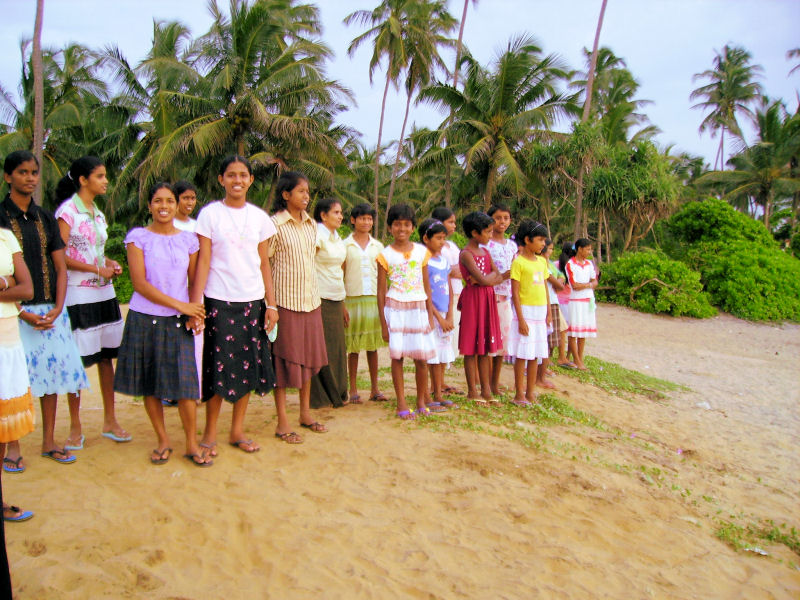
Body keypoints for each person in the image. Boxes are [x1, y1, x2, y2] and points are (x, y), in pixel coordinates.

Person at [0, 151, 88, 471]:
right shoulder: (0, 218)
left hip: (50, 310)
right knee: (13, 380)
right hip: (11, 313)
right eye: (22, 172)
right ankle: (13, 447)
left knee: (50, 378)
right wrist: (21, 311)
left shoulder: (46, 218)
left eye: (34, 172)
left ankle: (49, 441)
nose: (30, 178)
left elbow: (60, 268)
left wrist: (58, 307)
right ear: (8, 177)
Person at [114, 183, 209, 466]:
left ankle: (191, 443)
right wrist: (182, 306)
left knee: (186, 385)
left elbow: (194, 280)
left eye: (169, 200)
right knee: (150, 383)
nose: (164, 206)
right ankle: (163, 440)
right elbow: (140, 284)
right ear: (149, 206)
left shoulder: (189, 240)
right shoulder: (138, 238)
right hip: (144, 318)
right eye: (157, 201)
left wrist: (194, 311)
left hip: (179, 321)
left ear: (177, 205)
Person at [191, 156, 278, 456]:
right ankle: (209, 433)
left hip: (252, 302)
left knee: (248, 366)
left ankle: (237, 430)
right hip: (217, 299)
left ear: (251, 180)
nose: (237, 180)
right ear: (221, 179)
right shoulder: (209, 215)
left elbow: (264, 263)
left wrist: (271, 304)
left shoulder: (260, 219)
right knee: (217, 368)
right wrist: (196, 303)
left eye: (243, 175)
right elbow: (203, 261)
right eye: (231, 175)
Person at [54, 156, 129, 444]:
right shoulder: (67, 212)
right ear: (83, 180)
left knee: (106, 358)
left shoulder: (97, 213)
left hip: (103, 292)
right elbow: (60, 256)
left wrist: (109, 263)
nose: (106, 181)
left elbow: (95, 253)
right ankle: (75, 427)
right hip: (78, 293)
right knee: (78, 360)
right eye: (100, 176)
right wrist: (96, 269)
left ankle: (111, 421)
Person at [269, 171, 328, 443]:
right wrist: (270, 304)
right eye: (301, 191)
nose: (306, 196)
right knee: (282, 362)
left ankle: (305, 414)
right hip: (284, 303)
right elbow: (264, 264)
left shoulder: (312, 225)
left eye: (308, 191)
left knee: (309, 358)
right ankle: (282, 421)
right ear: (286, 194)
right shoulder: (274, 226)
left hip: (311, 301)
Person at [377, 204, 436, 419]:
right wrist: (384, 324)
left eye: (406, 224)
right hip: (396, 309)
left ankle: (421, 400)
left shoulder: (422, 252)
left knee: (421, 359)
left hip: (418, 309)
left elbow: (427, 286)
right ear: (390, 227)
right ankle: (401, 402)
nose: (401, 228)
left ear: (412, 227)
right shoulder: (384, 255)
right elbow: (381, 291)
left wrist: (430, 315)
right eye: (397, 224)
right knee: (398, 357)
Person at [0, 226, 36, 524]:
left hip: (8, 341)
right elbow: (17, 285)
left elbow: (27, 289)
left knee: (1, 428)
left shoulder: (5, 237)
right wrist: (7, 281)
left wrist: (5, 281)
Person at [342, 203, 385, 403]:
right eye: (362, 218)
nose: (366, 222)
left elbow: (382, 278)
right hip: (352, 299)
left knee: (372, 346)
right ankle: (353, 390)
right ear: (353, 220)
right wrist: (342, 304)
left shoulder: (378, 246)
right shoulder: (345, 245)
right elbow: (340, 275)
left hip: (373, 300)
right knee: (353, 347)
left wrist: (384, 303)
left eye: (369, 219)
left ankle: (375, 389)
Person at [458, 211, 502, 404]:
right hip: (473, 301)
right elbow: (490, 277)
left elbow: (496, 275)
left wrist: (486, 280)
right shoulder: (466, 254)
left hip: (486, 299)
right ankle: (472, 391)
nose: (491, 235)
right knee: (470, 347)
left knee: (484, 346)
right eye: (488, 232)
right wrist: (487, 279)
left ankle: (486, 390)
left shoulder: (486, 252)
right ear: (475, 233)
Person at [309, 197, 348, 409]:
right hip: (319, 297)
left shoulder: (337, 237)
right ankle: (321, 397)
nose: (340, 216)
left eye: (341, 212)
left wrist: (343, 303)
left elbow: (340, 269)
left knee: (336, 348)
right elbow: (307, 263)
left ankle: (338, 393)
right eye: (336, 212)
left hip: (336, 296)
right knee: (321, 348)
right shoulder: (317, 234)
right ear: (323, 215)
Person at [507, 221, 552, 405]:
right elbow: (515, 293)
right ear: (527, 240)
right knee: (523, 353)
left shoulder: (542, 261)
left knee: (535, 354)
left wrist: (549, 312)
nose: (543, 244)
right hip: (525, 312)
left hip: (540, 313)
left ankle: (530, 392)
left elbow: (545, 288)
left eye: (544, 240)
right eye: (540, 240)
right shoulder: (518, 263)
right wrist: (521, 319)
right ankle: (519, 393)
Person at [420, 218, 454, 411]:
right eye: (438, 238)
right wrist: (439, 318)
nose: (442, 242)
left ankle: (438, 392)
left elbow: (449, 288)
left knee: (441, 355)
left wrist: (449, 315)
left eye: (443, 238)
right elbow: (426, 292)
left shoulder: (444, 261)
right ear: (426, 238)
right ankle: (425, 395)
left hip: (444, 313)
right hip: (430, 314)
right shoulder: (423, 262)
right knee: (429, 355)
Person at [431, 206, 463, 395]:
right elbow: (451, 271)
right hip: (439, 298)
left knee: (448, 339)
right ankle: (436, 383)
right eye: (450, 222)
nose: (454, 225)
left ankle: (441, 381)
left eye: (454, 222)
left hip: (455, 295)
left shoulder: (452, 246)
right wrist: (454, 271)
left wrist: (456, 271)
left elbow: (460, 269)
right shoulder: (434, 249)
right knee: (438, 339)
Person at [485, 204, 517, 395]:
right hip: (490, 297)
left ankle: (495, 384)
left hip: (507, 299)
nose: (502, 221)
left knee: (502, 344)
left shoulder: (512, 246)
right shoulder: (486, 245)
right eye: (498, 218)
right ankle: (486, 384)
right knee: (489, 343)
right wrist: (504, 275)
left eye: (506, 218)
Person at [565, 238, 598, 371]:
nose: (589, 252)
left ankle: (580, 358)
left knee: (583, 331)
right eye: (588, 249)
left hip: (587, 300)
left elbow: (595, 282)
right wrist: (589, 285)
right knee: (574, 331)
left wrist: (585, 285)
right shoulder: (570, 264)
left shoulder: (589, 264)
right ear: (580, 249)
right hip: (576, 301)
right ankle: (577, 360)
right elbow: (574, 285)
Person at [541, 239, 569, 374]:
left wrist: (559, 281)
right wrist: (559, 283)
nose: (551, 251)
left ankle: (547, 362)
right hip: (547, 301)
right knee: (546, 334)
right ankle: (544, 365)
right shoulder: (541, 263)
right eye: (550, 248)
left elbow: (561, 276)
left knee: (554, 332)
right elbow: (551, 278)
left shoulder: (550, 263)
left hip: (553, 300)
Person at [557, 241, 577, 368]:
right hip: (569, 301)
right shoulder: (572, 265)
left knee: (560, 330)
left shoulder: (556, 264)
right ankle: (565, 356)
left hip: (558, 300)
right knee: (567, 331)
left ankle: (561, 355)